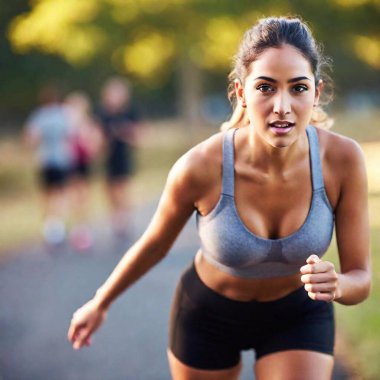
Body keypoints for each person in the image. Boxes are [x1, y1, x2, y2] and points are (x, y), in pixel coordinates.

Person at [68, 16, 371, 380]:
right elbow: (154, 244)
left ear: (317, 92)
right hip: (208, 316)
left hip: (297, 315)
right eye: (265, 88)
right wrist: (100, 302)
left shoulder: (342, 160)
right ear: (240, 92)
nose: (282, 106)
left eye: (298, 88)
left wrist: (338, 284)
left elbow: (361, 279)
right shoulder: (200, 166)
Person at [24, 84, 74, 245]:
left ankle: (50, 227)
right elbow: (72, 134)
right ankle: (58, 226)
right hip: (61, 159)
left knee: (47, 194)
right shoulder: (62, 115)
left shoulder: (39, 116)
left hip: (45, 160)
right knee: (60, 193)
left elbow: (31, 137)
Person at [95, 77, 141, 238]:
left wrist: (123, 132)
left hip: (123, 156)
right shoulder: (102, 113)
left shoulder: (129, 112)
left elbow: (138, 135)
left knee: (123, 190)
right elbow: (97, 136)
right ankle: (116, 220)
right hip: (108, 157)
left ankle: (125, 221)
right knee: (110, 191)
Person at [64, 91, 103, 251]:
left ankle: (83, 229)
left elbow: (95, 144)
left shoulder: (88, 124)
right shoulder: (64, 124)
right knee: (73, 197)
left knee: (83, 197)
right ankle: (75, 229)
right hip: (69, 165)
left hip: (83, 164)